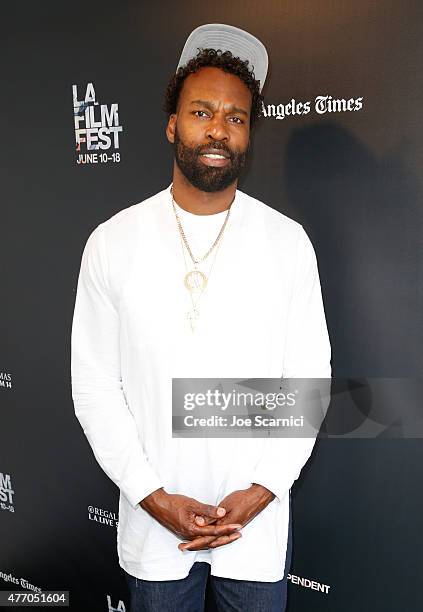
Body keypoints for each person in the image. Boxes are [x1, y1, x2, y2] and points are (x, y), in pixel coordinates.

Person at [71, 23, 331, 612]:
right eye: (202, 112)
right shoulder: (113, 243)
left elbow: (308, 384)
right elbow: (93, 386)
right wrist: (152, 496)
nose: (218, 129)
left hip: (254, 531)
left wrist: (264, 489)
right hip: (154, 526)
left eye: (236, 118)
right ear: (173, 125)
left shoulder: (288, 244)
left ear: (249, 136)